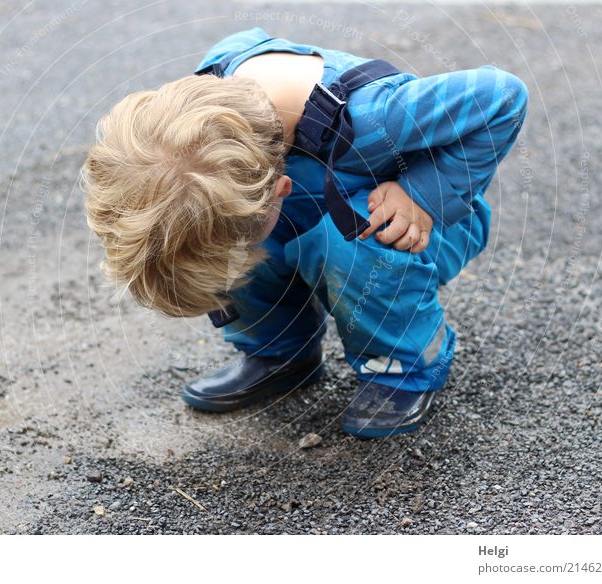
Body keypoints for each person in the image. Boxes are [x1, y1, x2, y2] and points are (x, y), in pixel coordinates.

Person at [81, 27, 528, 438]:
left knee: (345, 243)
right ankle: (281, 353)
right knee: (224, 247)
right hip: (310, 207)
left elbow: (502, 96)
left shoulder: (378, 116)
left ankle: (402, 366)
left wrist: (424, 196)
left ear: (279, 189)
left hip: (415, 226)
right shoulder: (207, 105)